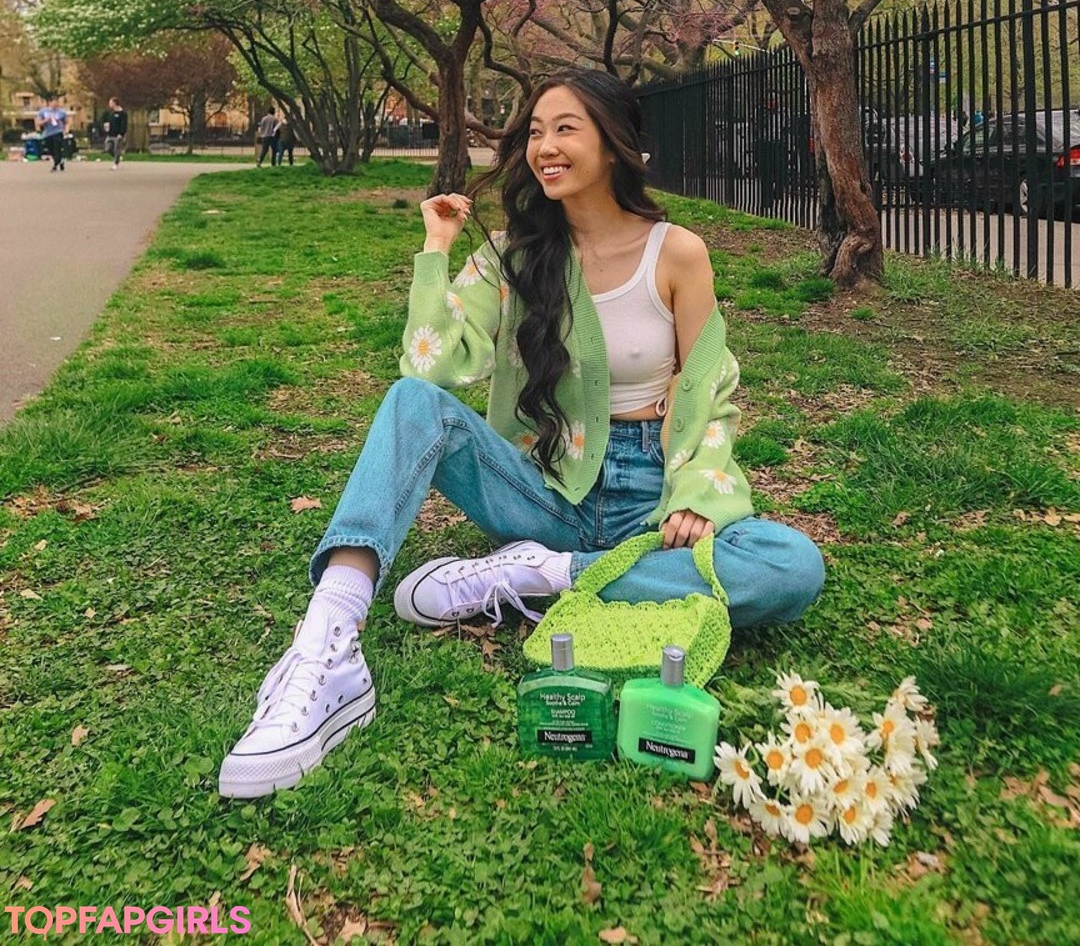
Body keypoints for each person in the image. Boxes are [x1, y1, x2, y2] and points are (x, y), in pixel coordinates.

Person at [218, 69, 825, 799]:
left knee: (791, 566)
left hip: (650, 499)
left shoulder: (677, 253)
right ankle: (328, 639)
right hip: (548, 489)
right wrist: (436, 247)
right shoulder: (515, 256)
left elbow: (709, 388)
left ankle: (540, 576)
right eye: (535, 132)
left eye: (565, 128)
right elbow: (430, 364)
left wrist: (695, 489)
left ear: (614, 142)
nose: (545, 146)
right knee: (411, 403)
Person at [36, 99, 69, 172]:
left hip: (58, 132)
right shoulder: (43, 111)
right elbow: (38, 122)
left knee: (57, 148)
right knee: (51, 149)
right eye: (53, 102)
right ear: (50, 103)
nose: (55, 104)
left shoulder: (62, 112)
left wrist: (66, 130)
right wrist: (45, 120)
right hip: (48, 133)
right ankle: (60, 161)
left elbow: (66, 122)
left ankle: (55, 165)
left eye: (56, 102)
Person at [101, 97, 128, 170]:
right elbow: (109, 123)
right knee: (108, 148)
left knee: (117, 149)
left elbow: (124, 124)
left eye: (110, 103)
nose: (109, 104)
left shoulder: (123, 114)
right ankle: (117, 158)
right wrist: (106, 128)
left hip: (118, 135)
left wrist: (121, 133)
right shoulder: (111, 113)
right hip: (110, 134)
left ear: (114, 103)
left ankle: (116, 163)